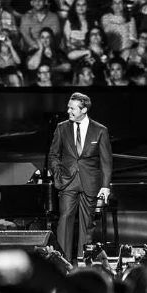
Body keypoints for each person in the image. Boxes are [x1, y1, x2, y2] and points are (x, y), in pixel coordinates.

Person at [49, 92, 112, 259]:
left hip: (90, 183)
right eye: (68, 107)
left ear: (83, 109)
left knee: (87, 225)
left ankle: (83, 262)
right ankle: (62, 261)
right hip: (67, 182)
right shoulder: (62, 128)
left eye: (72, 108)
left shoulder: (100, 130)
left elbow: (106, 161)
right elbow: (53, 155)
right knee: (64, 221)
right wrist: (57, 174)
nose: (68, 111)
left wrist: (105, 186)